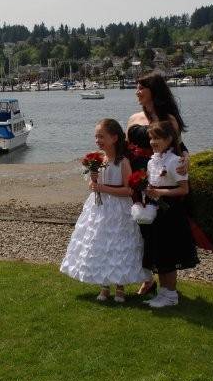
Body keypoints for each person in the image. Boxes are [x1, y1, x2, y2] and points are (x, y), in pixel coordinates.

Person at [60, 119, 151, 302]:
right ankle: (104, 286)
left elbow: (128, 190)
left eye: (101, 136)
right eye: (96, 136)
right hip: (99, 208)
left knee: (117, 245)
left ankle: (120, 287)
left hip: (119, 209)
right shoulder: (99, 159)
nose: (97, 140)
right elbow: (93, 185)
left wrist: (103, 188)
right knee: (100, 243)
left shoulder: (122, 161)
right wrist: (93, 182)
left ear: (114, 138)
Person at [126, 72, 189, 295]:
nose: (137, 92)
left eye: (141, 88)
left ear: (153, 91)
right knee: (139, 231)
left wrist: (186, 161)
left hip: (159, 178)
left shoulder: (168, 119)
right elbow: (124, 149)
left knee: (160, 233)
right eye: (136, 87)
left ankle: (167, 289)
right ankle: (148, 278)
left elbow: (180, 149)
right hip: (135, 177)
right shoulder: (133, 118)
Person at [141, 120, 199, 308]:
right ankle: (163, 293)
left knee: (169, 254)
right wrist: (148, 191)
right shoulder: (153, 161)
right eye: (151, 138)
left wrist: (160, 193)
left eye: (157, 138)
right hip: (156, 211)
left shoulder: (175, 161)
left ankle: (171, 295)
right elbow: (154, 184)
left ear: (168, 139)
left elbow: (184, 189)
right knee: (159, 253)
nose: (153, 142)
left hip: (171, 213)